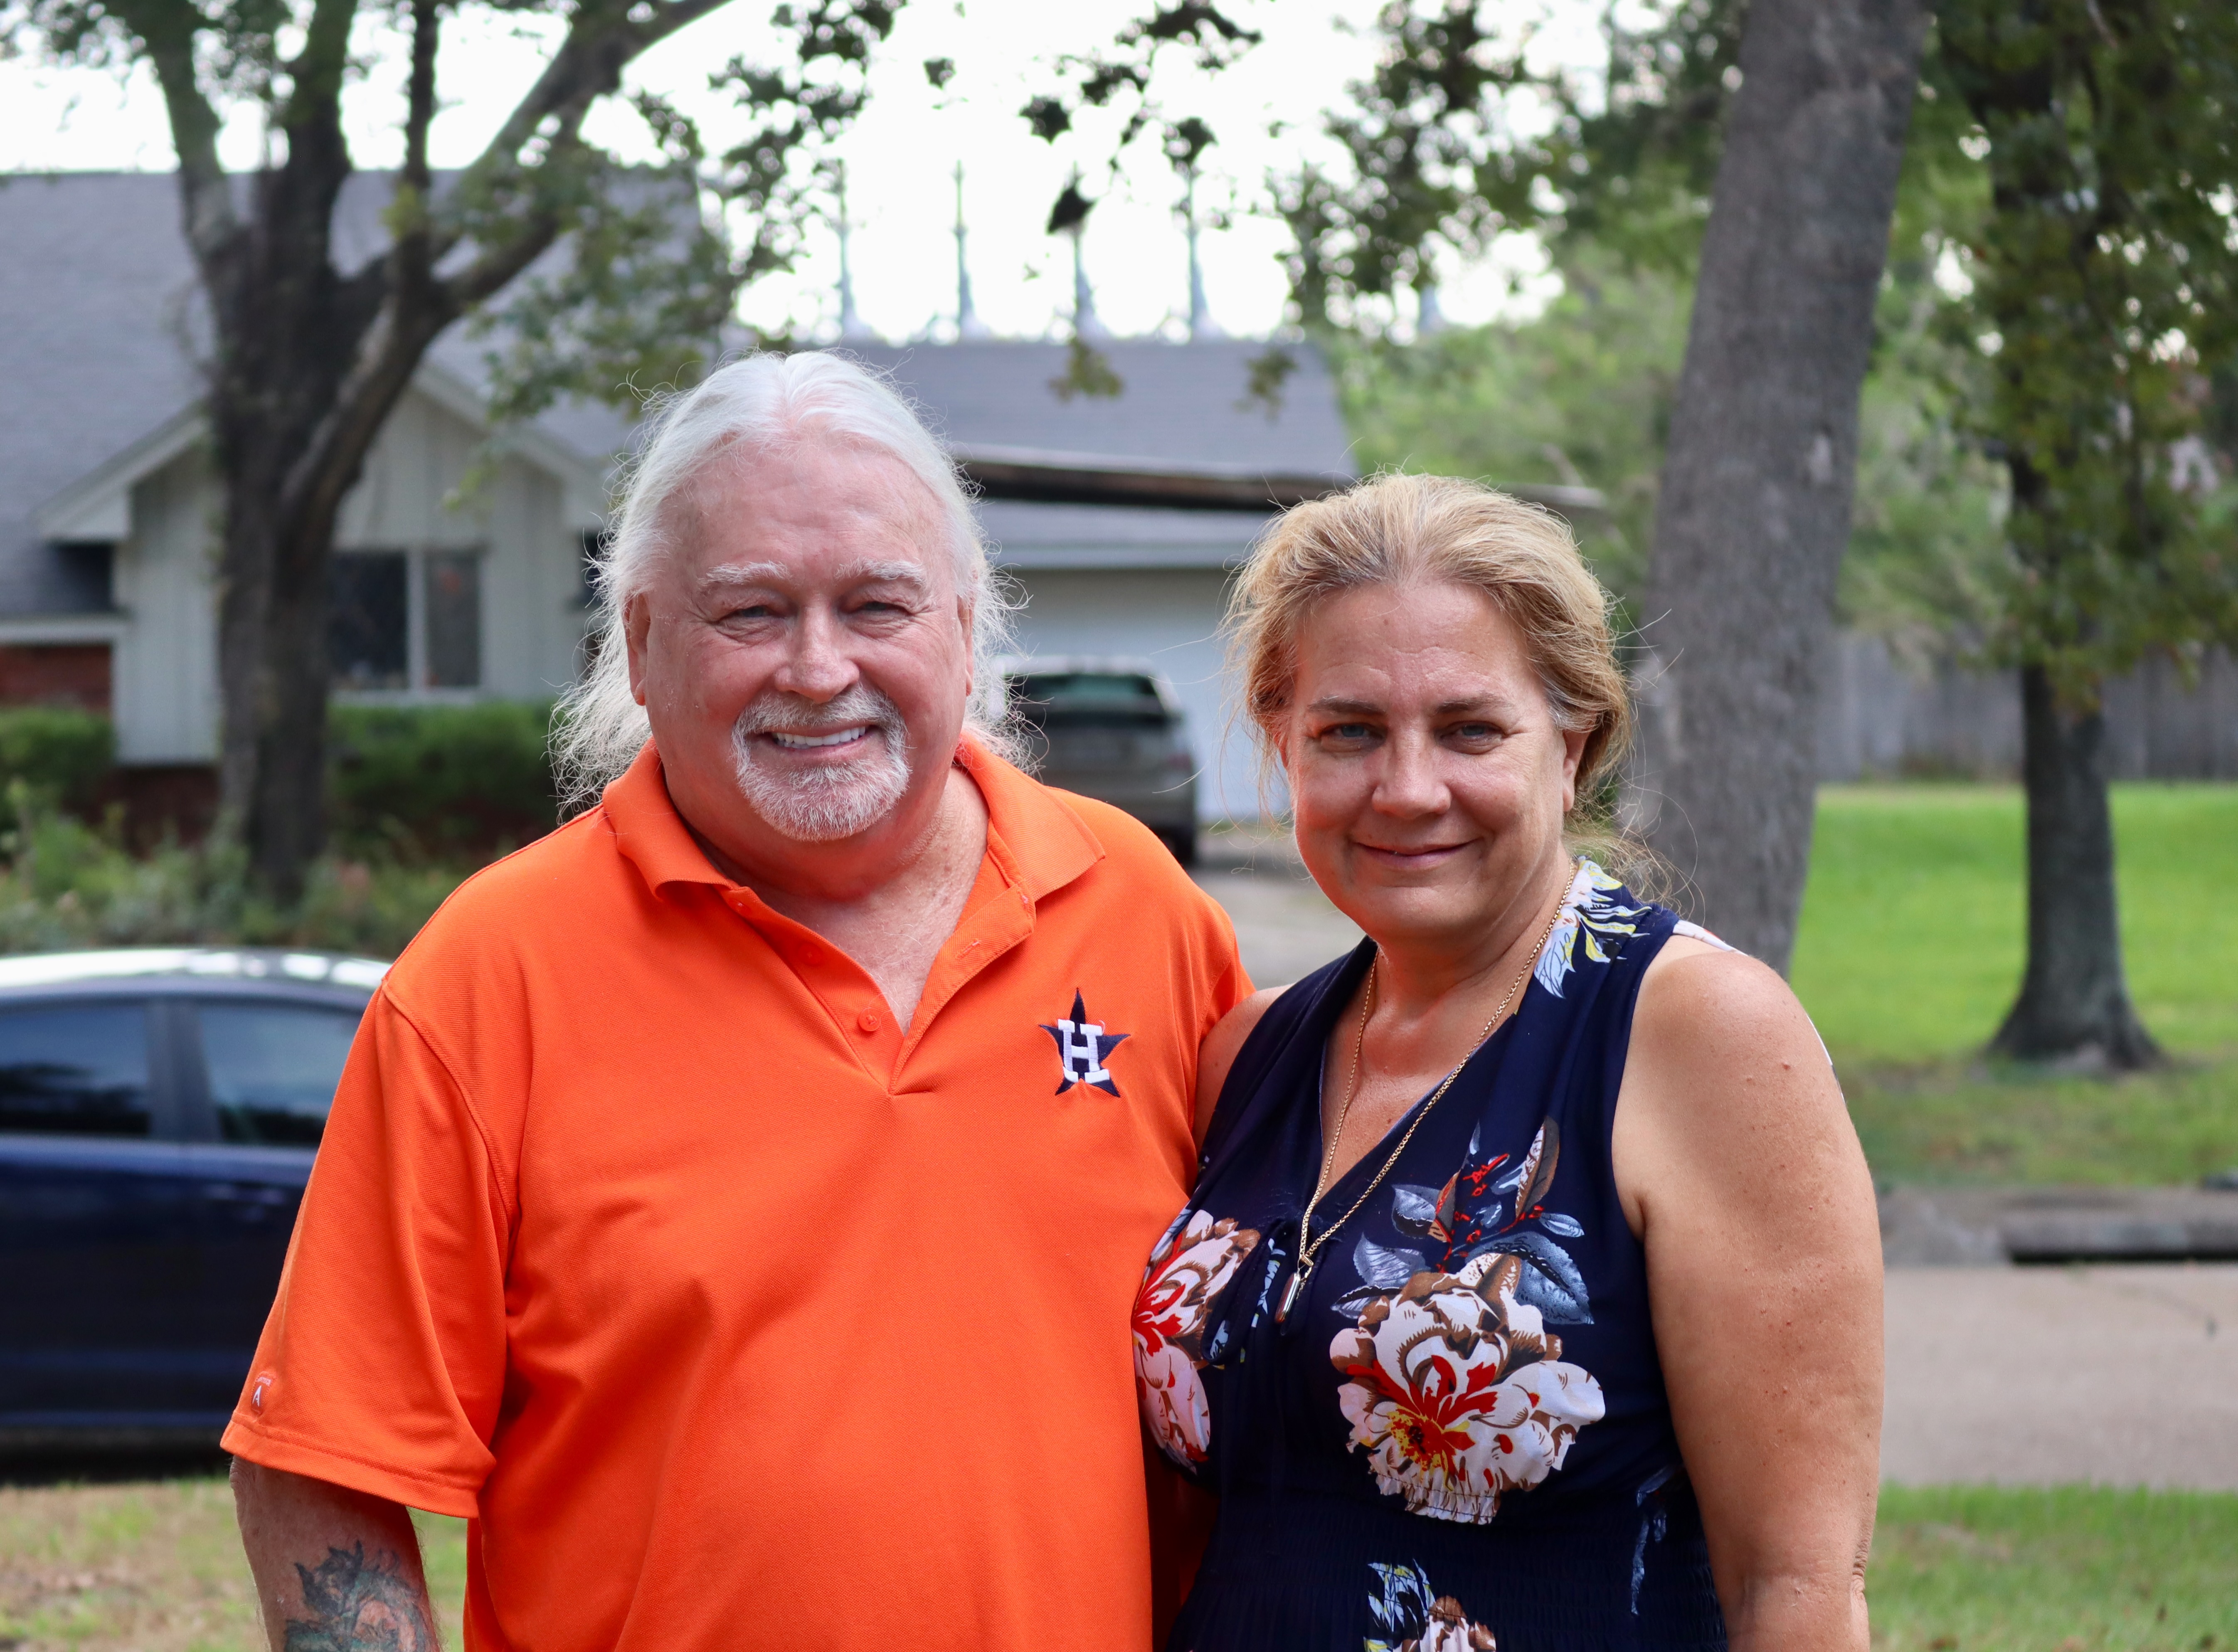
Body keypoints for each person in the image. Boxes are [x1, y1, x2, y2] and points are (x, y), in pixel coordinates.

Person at [224, 351, 1249, 1652]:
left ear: (967, 620)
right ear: (642, 643)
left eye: (877, 605)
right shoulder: (492, 977)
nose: (819, 671)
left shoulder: (1143, 912)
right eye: (752, 614)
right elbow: (323, 1463)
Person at [1133, 473, 1883, 1652]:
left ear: (1572, 747)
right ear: (1283, 740)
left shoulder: (1694, 1035)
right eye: (1350, 731)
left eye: (1471, 729)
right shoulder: (1251, 1053)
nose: (1408, 787)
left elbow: (1794, 1588)